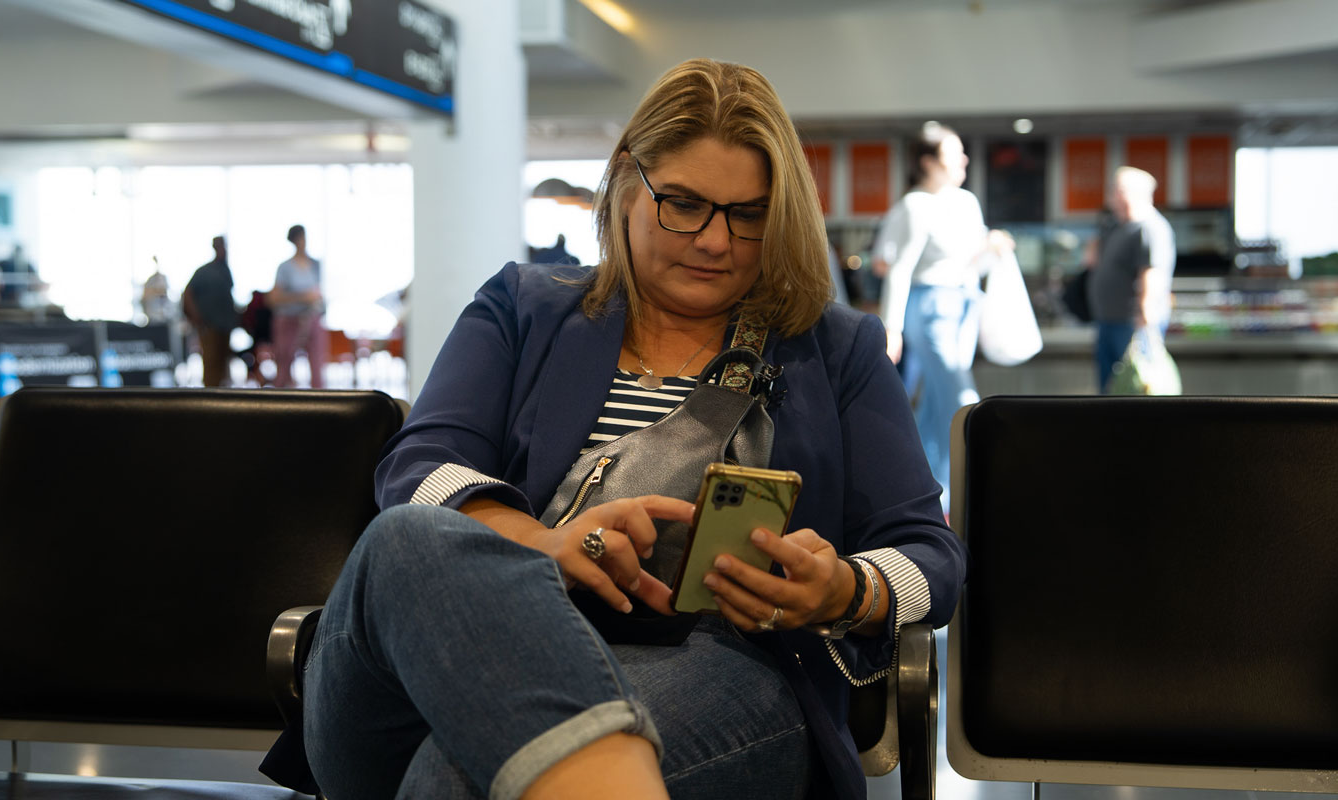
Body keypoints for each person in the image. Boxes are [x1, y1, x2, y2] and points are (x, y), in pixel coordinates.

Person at [289, 59, 966, 800]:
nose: (714, 241)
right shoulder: (525, 306)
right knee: (403, 540)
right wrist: (542, 547)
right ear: (623, 180)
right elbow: (420, 465)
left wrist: (845, 589)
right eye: (683, 204)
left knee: (454, 780)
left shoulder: (834, 349)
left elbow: (929, 554)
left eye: (747, 214)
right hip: (486, 641)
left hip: (721, 666)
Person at [871, 122, 1013, 514]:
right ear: (928, 161)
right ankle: (987, 486)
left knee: (937, 408)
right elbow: (896, 267)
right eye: (955, 153)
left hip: (964, 305)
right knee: (962, 399)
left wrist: (992, 246)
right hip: (931, 308)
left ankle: (936, 497)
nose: (965, 159)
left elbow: (970, 264)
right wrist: (892, 327)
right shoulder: (914, 206)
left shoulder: (967, 202)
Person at [1086, 166, 1175, 393]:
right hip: (1109, 319)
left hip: (1132, 322)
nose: (1111, 197)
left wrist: (1145, 314)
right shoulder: (1119, 227)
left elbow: (1150, 272)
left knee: (1136, 385)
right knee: (1112, 387)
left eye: (1116, 191)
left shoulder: (1150, 227)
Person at [268, 224, 328, 388]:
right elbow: (273, 299)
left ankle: (320, 404)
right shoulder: (285, 267)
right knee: (285, 362)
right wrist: (303, 297)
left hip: (311, 318)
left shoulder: (315, 265)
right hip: (289, 320)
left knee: (317, 363)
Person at [181, 236, 237, 387]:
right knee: (211, 362)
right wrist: (196, 317)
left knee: (222, 363)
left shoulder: (225, 271)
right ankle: (211, 397)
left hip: (225, 325)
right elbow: (188, 294)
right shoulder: (204, 271)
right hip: (210, 325)